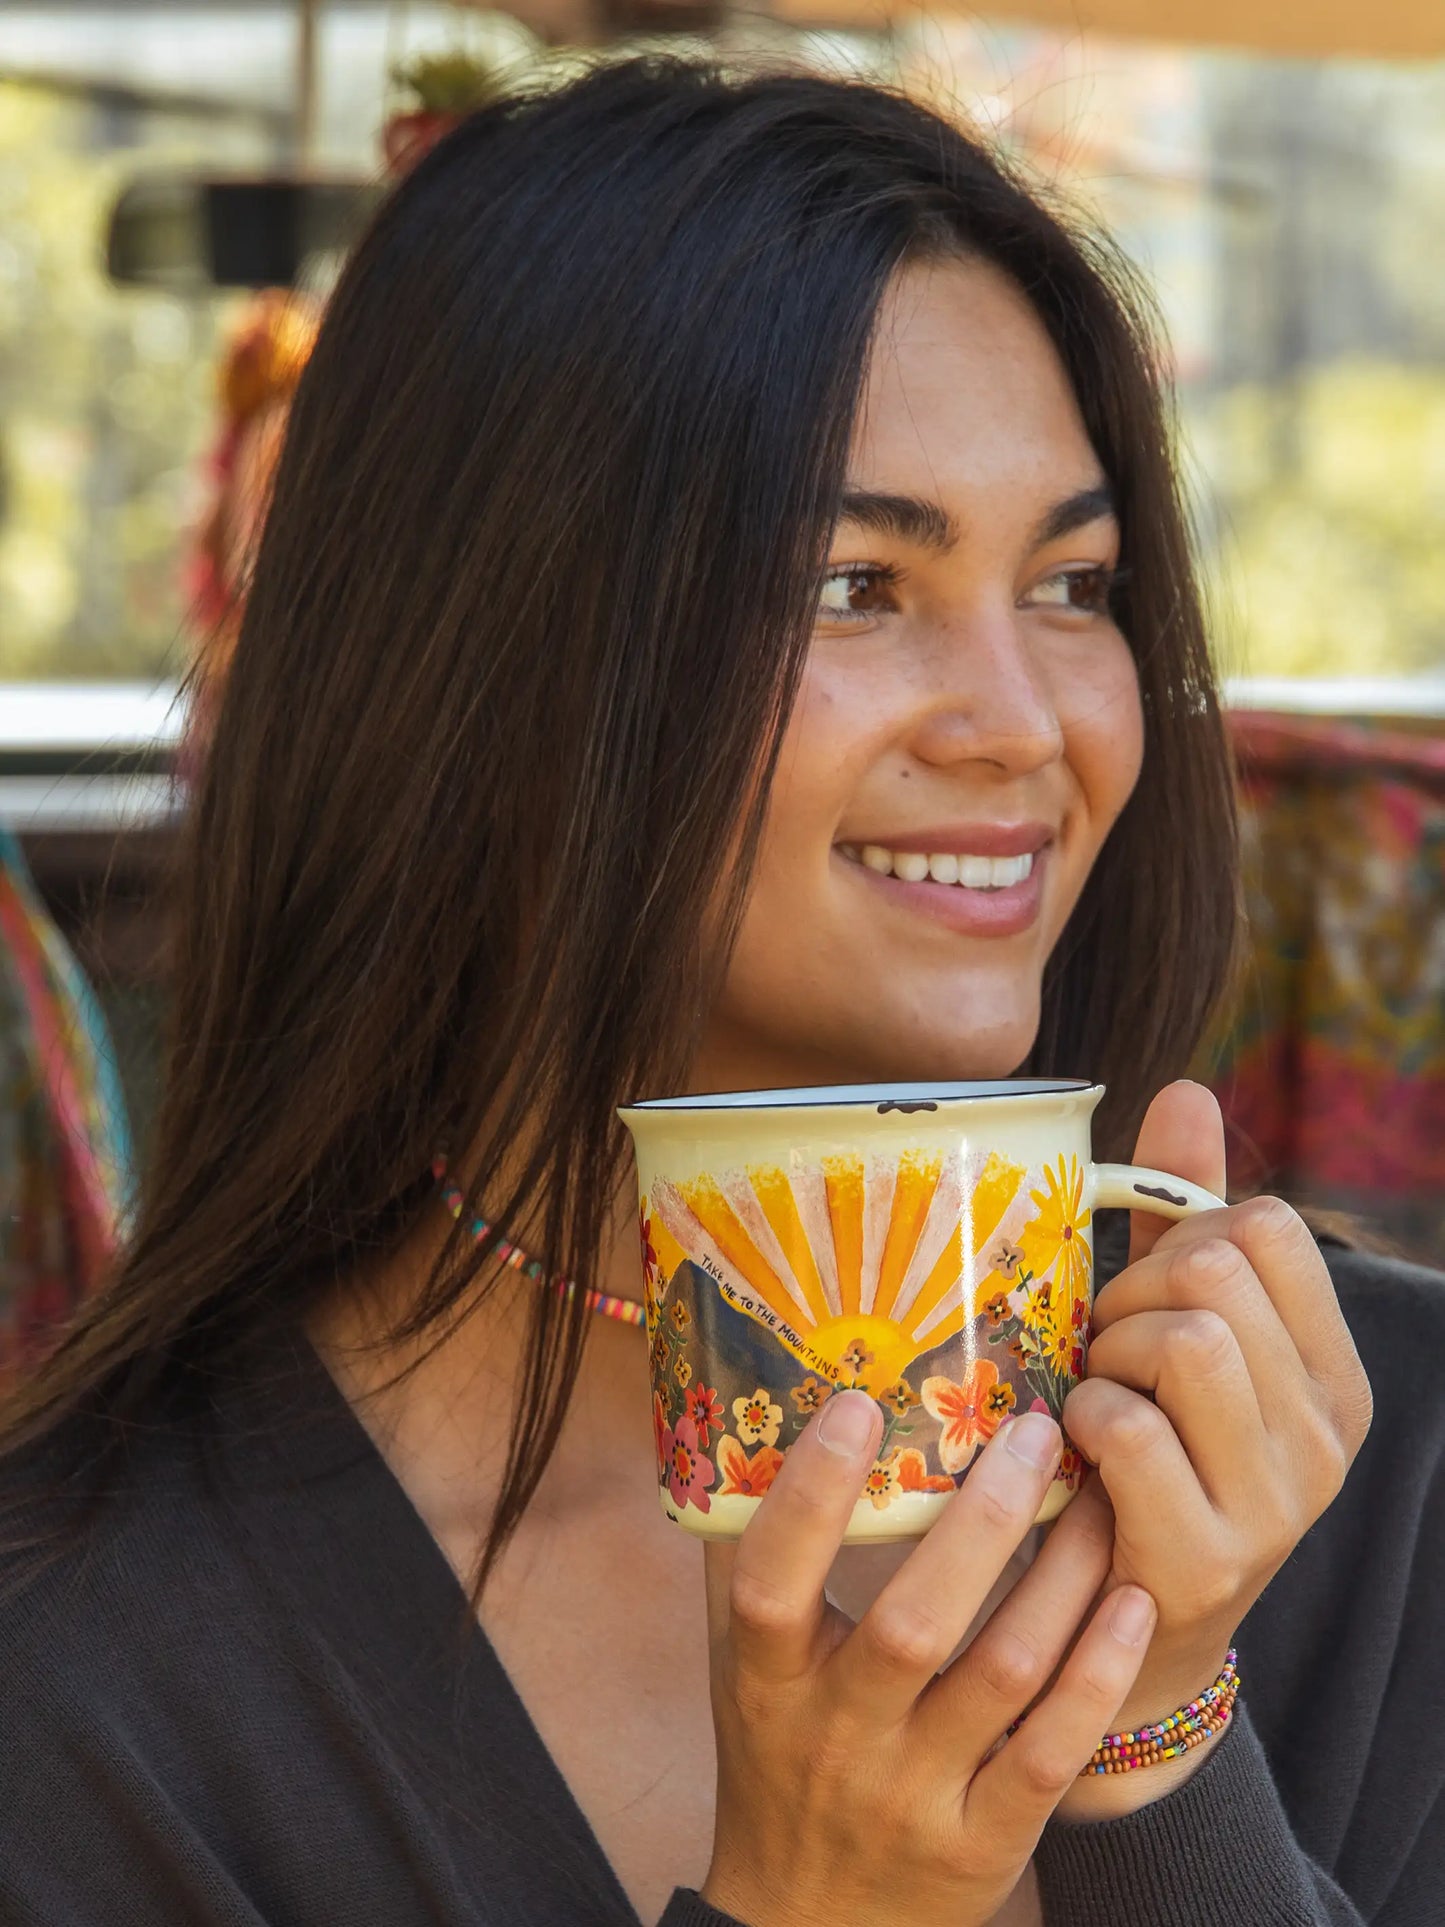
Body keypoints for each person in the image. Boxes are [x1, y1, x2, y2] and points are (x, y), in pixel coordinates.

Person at [0, 58, 1436, 1927]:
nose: (1025, 725)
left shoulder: (1386, 1466)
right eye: (855, 584)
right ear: (479, 677)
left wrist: (1156, 1754)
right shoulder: (96, 1671)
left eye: (1074, 585)